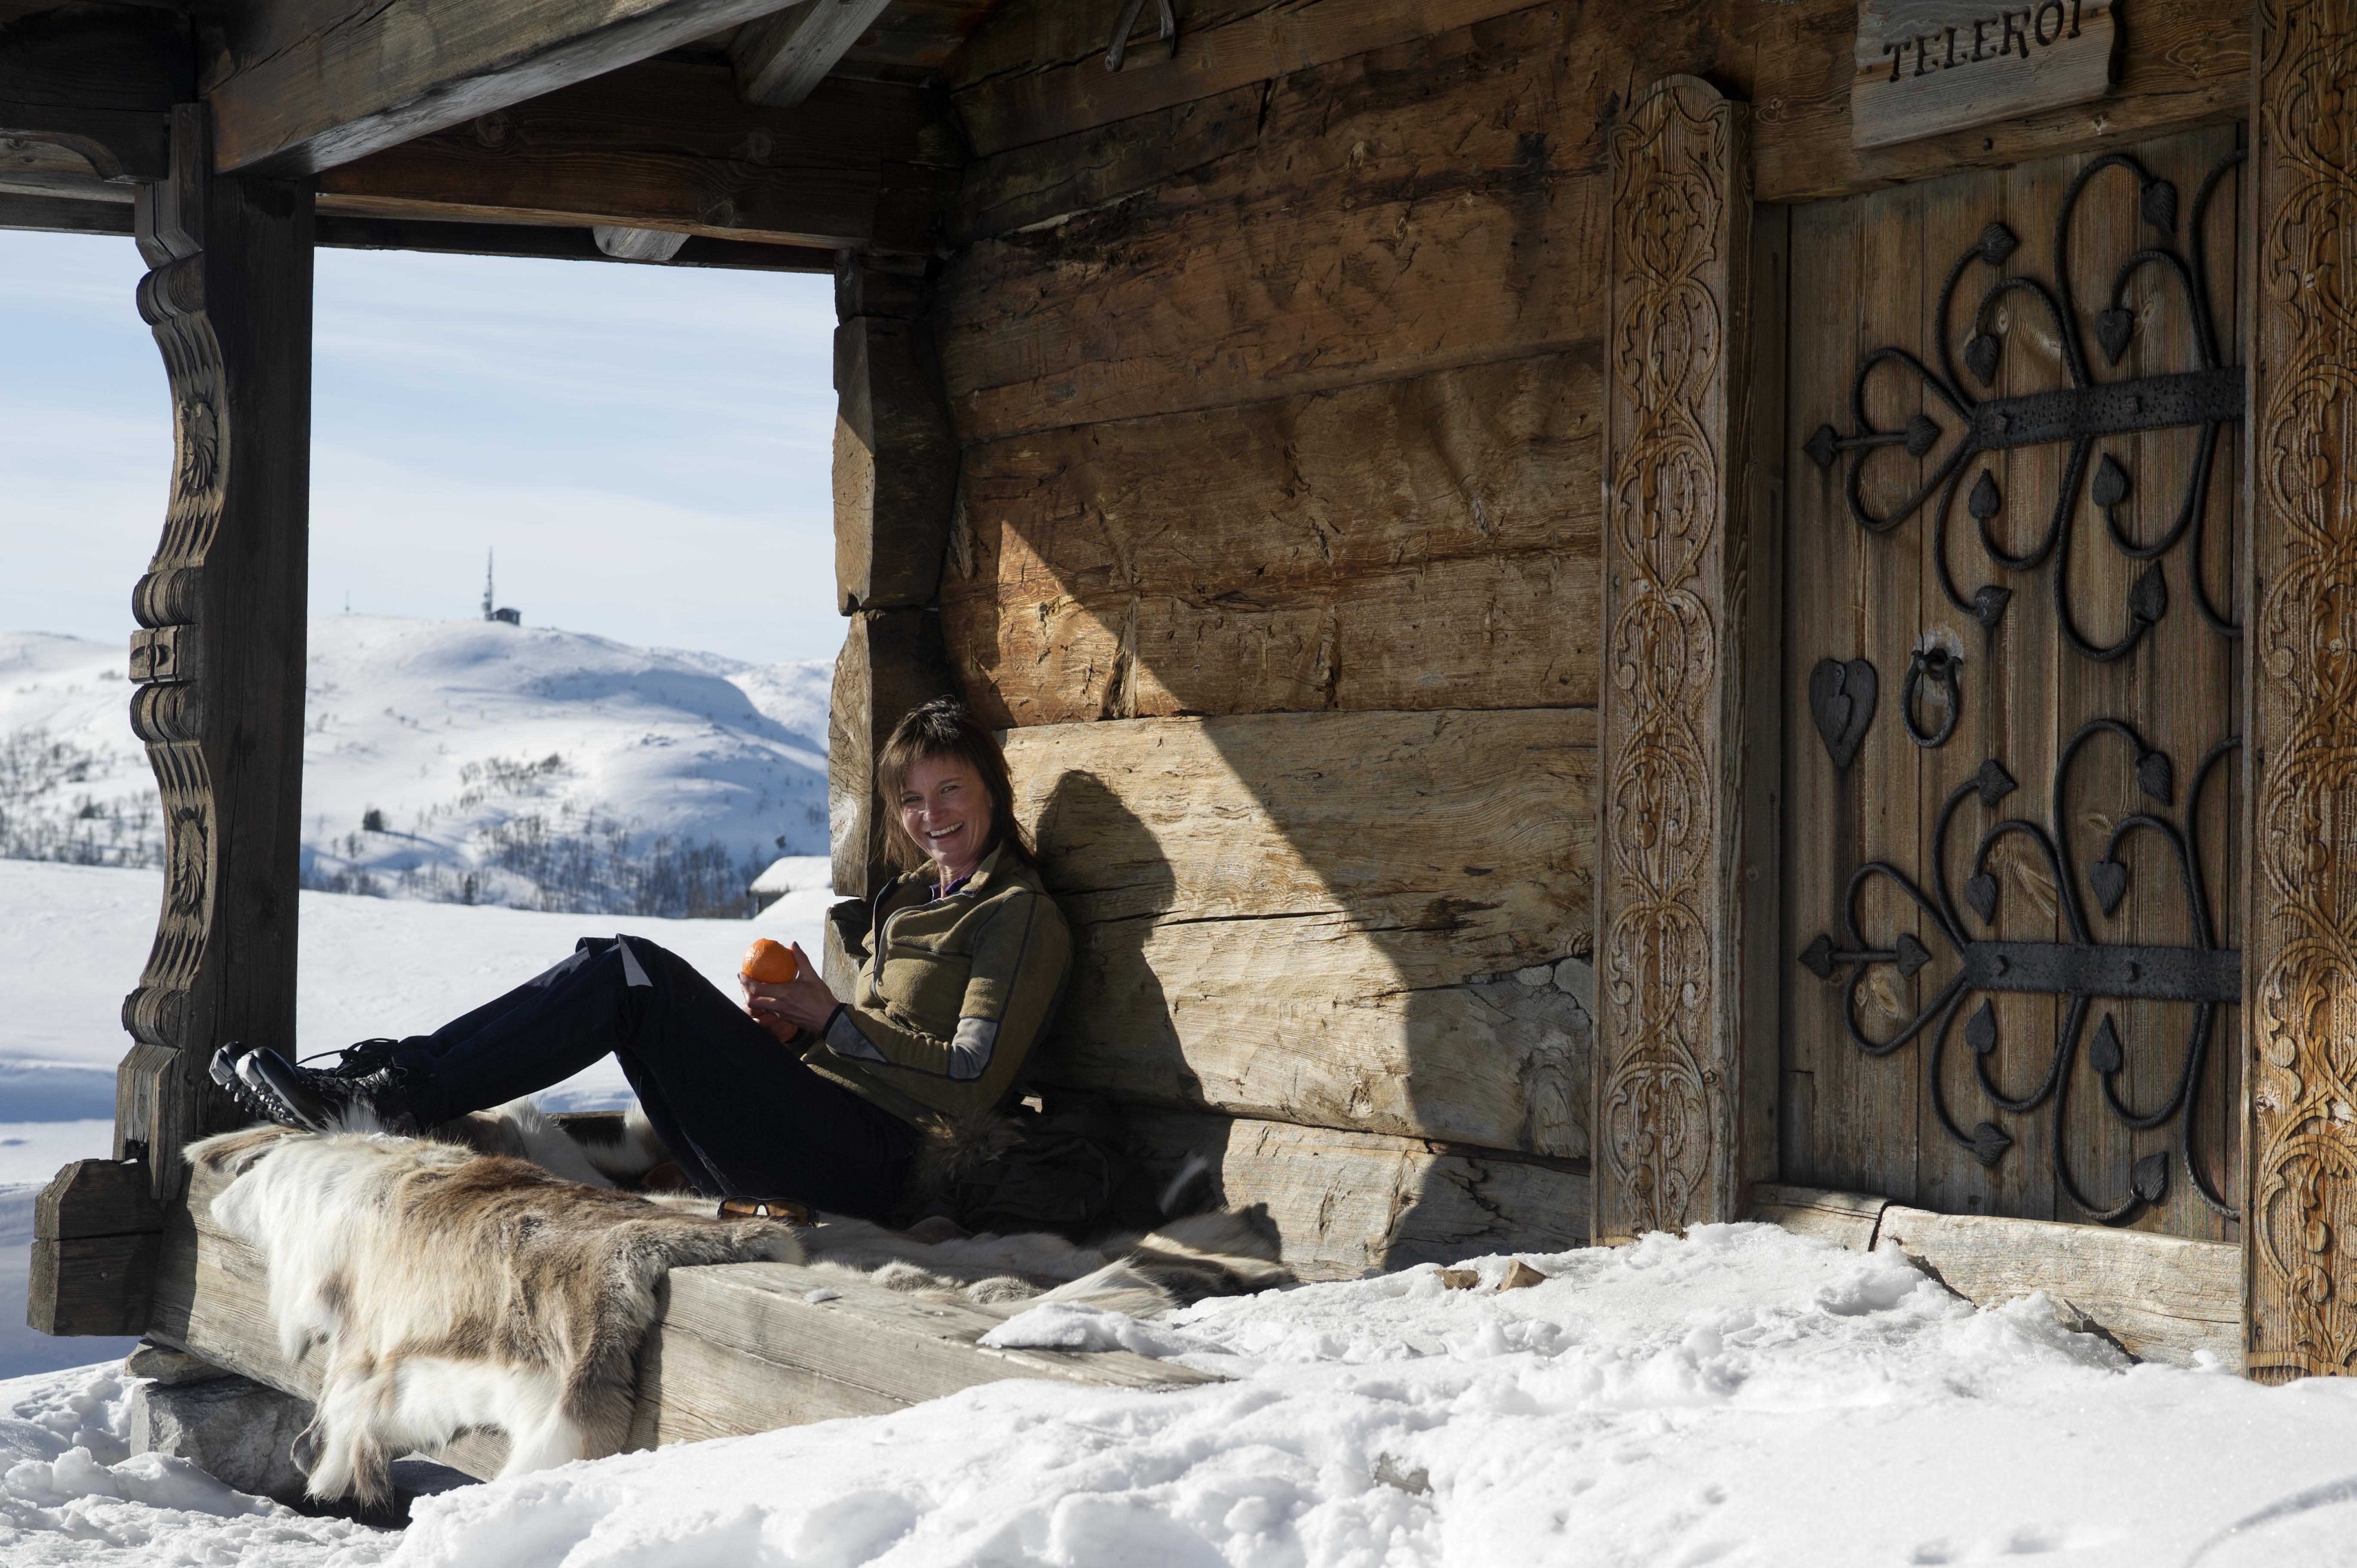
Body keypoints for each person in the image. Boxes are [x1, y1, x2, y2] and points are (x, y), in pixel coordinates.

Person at [209, 698, 1074, 1223]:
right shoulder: (913, 897)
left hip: (882, 1164)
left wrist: (832, 1021)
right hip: (817, 1129)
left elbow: (969, 1077)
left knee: (633, 970)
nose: (931, 816)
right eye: (911, 800)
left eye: (950, 791)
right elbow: (873, 1041)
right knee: (624, 983)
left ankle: (386, 1098)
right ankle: (384, 1084)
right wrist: (791, 1035)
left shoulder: (1015, 914)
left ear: (992, 792)